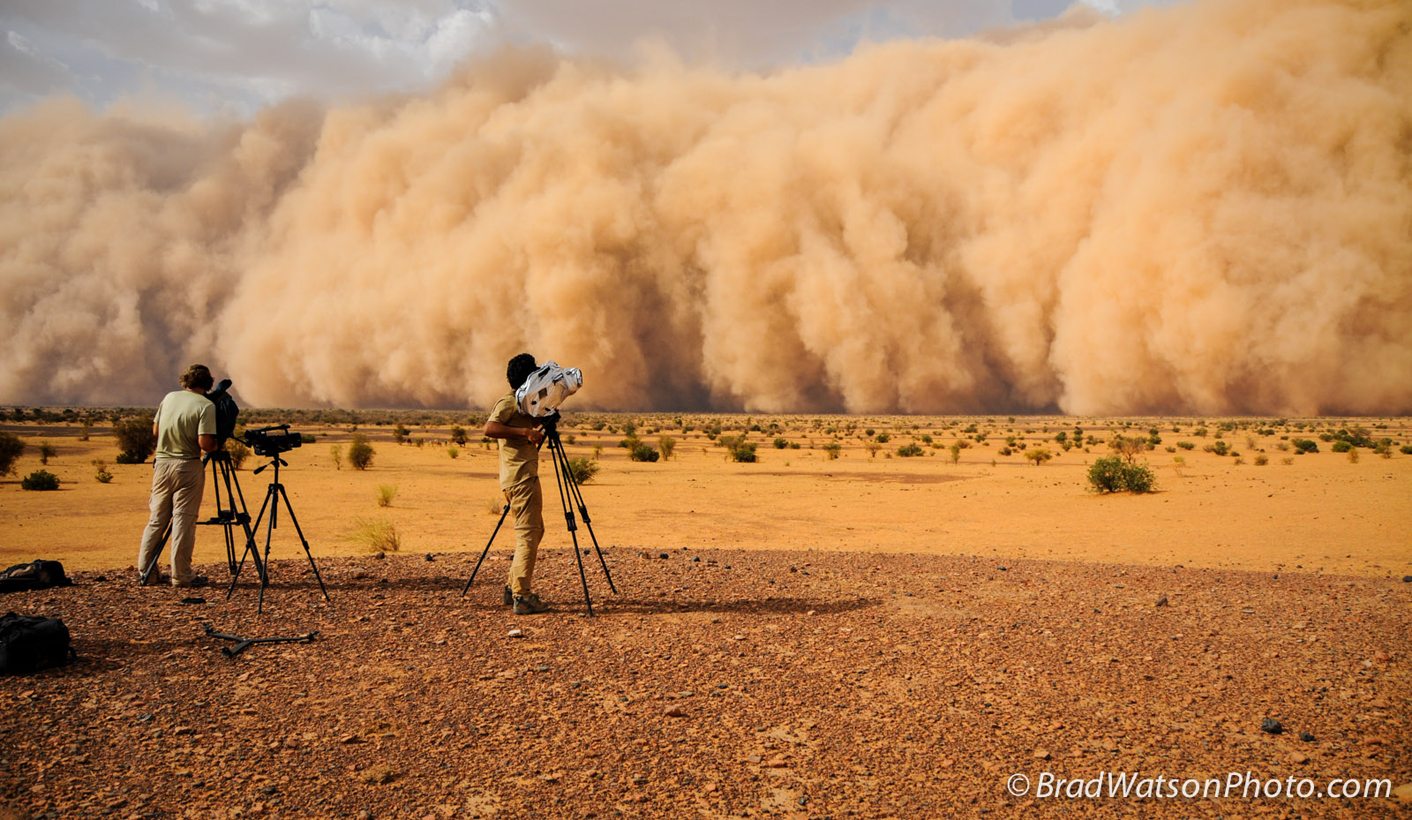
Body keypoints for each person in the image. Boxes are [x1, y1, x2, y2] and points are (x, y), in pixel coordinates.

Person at [136, 364, 218, 587]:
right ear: (208, 383)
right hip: (188, 466)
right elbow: (204, 443)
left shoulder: (169, 398)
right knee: (184, 519)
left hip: (161, 465)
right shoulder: (206, 406)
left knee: (157, 519)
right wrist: (217, 445)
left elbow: (156, 431)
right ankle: (181, 576)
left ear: (186, 380)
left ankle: (146, 572)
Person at [483, 353, 550, 615]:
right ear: (528, 378)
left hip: (521, 477)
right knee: (529, 534)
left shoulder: (524, 405)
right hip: (521, 479)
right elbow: (490, 428)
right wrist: (525, 432)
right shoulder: (509, 402)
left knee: (535, 530)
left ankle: (512, 587)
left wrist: (542, 422)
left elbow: (531, 431)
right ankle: (522, 596)